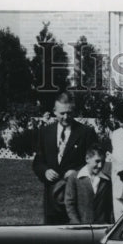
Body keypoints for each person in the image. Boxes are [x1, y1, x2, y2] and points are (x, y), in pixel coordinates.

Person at [32, 91, 95, 225]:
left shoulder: (86, 133)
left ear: (74, 111)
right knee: (53, 238)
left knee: (76, 236)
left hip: (76, 195)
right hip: (52, 197)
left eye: (69, 113)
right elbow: (38, 162)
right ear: (54, 111)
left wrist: (77, 172)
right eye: (62, 113)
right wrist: (45, 171)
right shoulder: (45, 132)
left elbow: (94, 163)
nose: (66, 117)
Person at [64, 142, 113, 224]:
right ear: (87, 159)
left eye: (103, 162)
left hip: (101, 227)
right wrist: (76, 223)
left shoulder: (106, 181)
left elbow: (109, 207)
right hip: (80, 227)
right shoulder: (75, 178)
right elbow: (70, 204)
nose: (100, 165)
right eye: (97, 161)